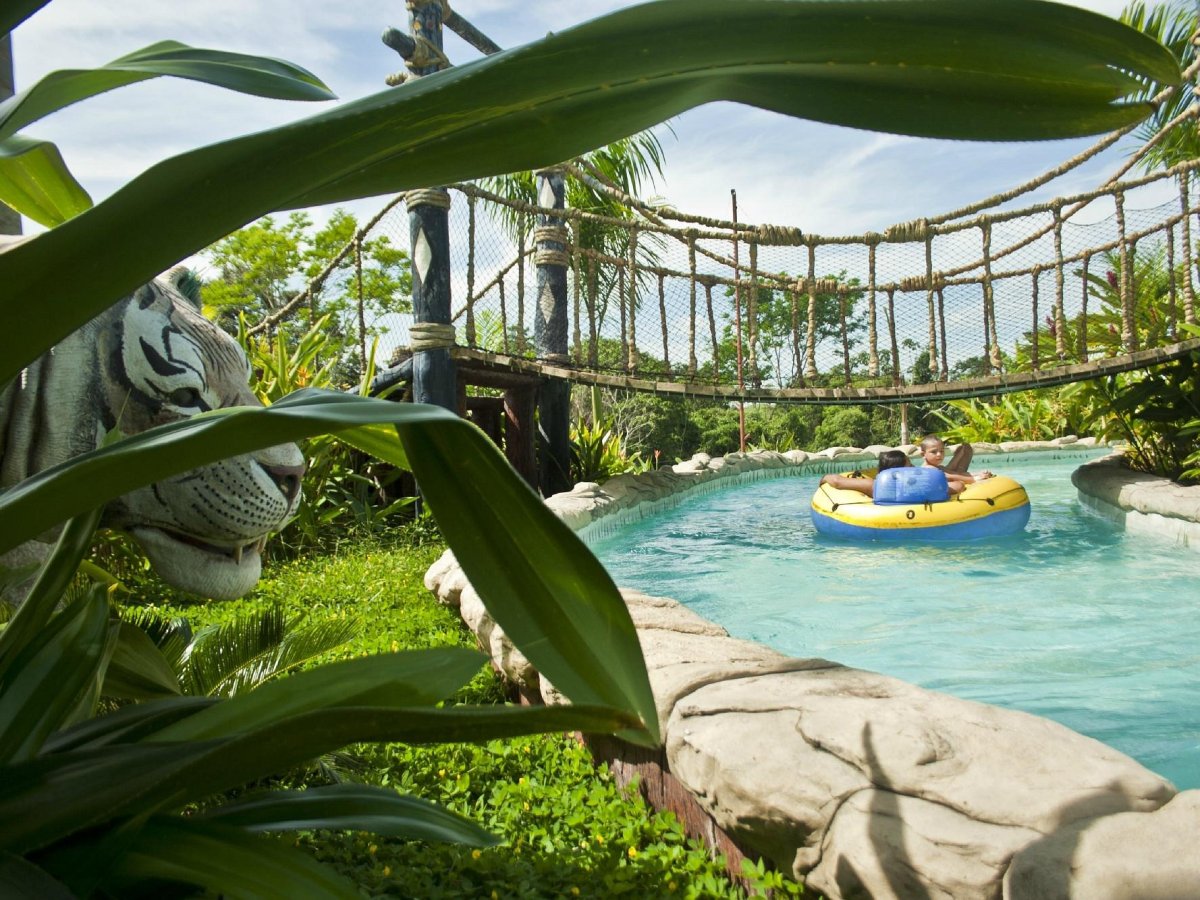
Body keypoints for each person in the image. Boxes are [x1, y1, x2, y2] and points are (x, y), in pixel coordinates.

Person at [918, 435, 992, 486]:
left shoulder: (937, 467)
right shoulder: (927, 468)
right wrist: (975, 479)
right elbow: (951, 476)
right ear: (923, 455)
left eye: (942, 451)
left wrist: (977, 474)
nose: (939, 454)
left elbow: (954, 473)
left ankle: (961, 453)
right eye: (934, 452)